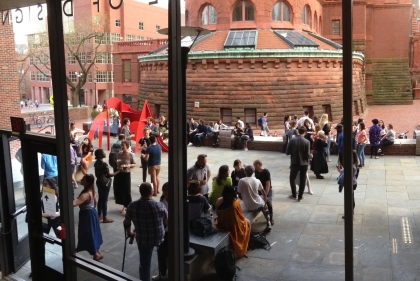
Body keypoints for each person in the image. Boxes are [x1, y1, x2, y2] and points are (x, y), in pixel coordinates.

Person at [124, 183, 168, 281]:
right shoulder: (159, 206)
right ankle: (163, 272)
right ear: (151, 192)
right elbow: (166, 221)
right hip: (158, 237)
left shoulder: (132, 206)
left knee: (144, 264)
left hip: (142, 238)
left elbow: (126, 222)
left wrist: (129, 232)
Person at [214, 185, 250, 259]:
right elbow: (241, 216)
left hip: (221, 223)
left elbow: (217, 213)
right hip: (233, 225)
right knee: (248, 223)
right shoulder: (236, 202)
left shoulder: (218, 200)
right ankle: (245, 246)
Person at [73, 174, 103, 260]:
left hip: (87, 215)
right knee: (93, 232)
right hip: (92, 213)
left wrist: (63, 198)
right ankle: (97, 250)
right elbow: (96, 202)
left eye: (83, 179)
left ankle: (95, 254)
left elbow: (74, 204)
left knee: (88, 233)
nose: (81, 179)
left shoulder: (85, 195)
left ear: (87, 182)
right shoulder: (92, 190)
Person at [237, 165, 271, 232]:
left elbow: (239, 194)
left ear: (245, 172)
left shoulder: (241, 181)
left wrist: (245, 199)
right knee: (265, 207)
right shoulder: (257, 180)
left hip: (248, 206)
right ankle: (268, 222)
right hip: (258, 203)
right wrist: (265, 204)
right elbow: (264, 194)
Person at [286, 126, 312, 202]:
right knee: (303, 179)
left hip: (294, 162)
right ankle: (300, 196)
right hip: (304, 163)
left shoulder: (292, 140)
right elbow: (307, 155)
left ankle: (294, 194)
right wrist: (311, 156)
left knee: (292, 179)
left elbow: (287, 152)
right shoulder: (307, 142)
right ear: (305, 132)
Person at [94, 149, 120, 223]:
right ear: (101, 155)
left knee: (100, 199)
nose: (105, 153)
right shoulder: (104, 164)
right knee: (104, 200)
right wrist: (119, 171)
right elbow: (109, 175)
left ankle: (99, 215)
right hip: (105, 183)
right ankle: (105, 216)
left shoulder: (96, 163)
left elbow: (97, 174)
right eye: (103, 152)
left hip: (99, 182)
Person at [153, 182, 169, 281]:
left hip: (171, 231)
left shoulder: (176, 201)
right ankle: (162, 273)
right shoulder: (162, 201)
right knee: (161, 254)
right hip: (163, 231)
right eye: (165, 191)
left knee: (168, 253)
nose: (167, 193)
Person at [117, 140, 136, 213]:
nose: (122, 147)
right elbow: (118, 162)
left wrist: (129, 165)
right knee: (122, 191)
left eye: (123, 146)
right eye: (121, 146)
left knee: (127, 191)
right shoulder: (119, 154)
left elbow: (134, 164)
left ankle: (130, 206)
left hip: (127, 173)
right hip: (120, 173)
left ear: (127, 146)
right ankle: (125, 206)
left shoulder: (131, 154)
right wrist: (118, 165)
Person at [253, 160, 274, 225]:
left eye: (255, 165)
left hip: (267, 190)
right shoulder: (256, 171)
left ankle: (271, 217)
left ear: (258, 165)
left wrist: (265, 194)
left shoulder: (266, 172)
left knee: (268, 201)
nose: (254, 167)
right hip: (260, 190)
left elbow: (268, 184)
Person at [341, 150, 359, 219]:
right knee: (351, 197)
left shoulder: (352, 166)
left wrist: (341, 171)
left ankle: (349, 213)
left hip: (350, 183)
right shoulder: (355, 164)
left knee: (349, 199)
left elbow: (348, 175)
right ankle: (351, 211)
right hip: (353, 182)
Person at [110, 134, 125, 200]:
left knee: (116, 179)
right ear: (123, 138)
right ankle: (120, 194)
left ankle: (115, 194)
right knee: (121, 179)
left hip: (114, 163)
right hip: (120, 164)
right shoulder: (123, 145)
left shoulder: (114, 144)